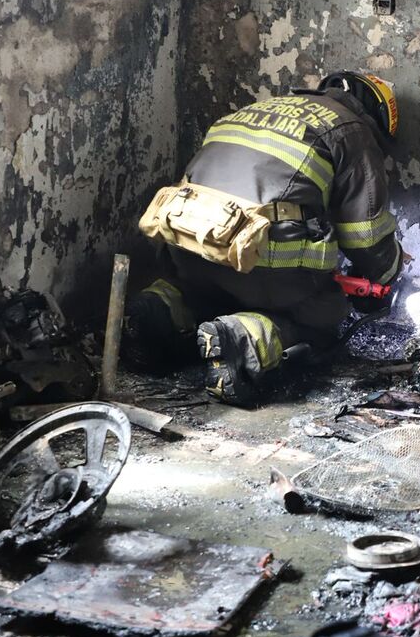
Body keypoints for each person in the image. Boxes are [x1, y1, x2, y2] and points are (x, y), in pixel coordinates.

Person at [125, 71, 404, 406]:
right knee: (325, 318)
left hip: (191, 244)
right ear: (375, 117)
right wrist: (387, 276)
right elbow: (366, 239)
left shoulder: (258, 108)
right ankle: (241, 339)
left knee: (206, 291)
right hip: (261, 259)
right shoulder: (352, 130)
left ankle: (161, 307)